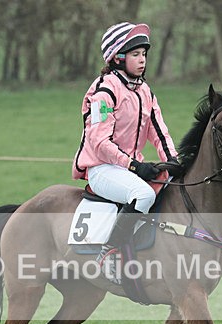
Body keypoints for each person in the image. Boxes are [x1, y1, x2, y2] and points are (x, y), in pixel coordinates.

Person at [72, 22, 179, 279]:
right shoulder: (104, 91)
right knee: (143, 194)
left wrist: (174, 161)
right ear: (118, 58)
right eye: (135, 54)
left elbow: (159, 132)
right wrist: (133, 165)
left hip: (128, 169)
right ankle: (109, 253)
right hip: (102, 169)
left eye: (144, 54)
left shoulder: (145, 91)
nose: (142, 60)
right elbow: (99, 142)